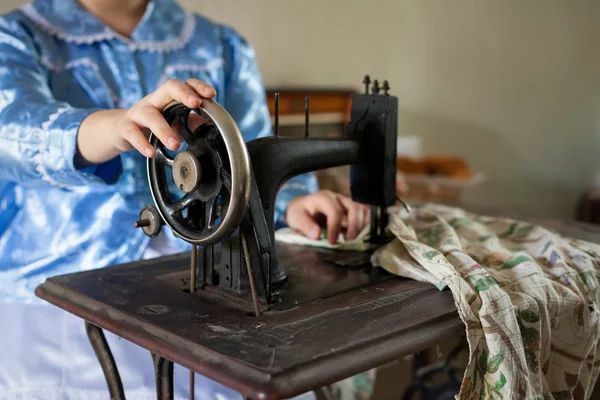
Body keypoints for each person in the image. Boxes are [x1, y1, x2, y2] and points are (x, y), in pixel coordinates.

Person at [0, 0, 376, 399]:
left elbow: (248, 156)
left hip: (197, 288)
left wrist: (290, 204)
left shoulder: (221, 46)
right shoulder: (18, 38)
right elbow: (12, 131)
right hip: (59, 297)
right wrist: (114, 127)